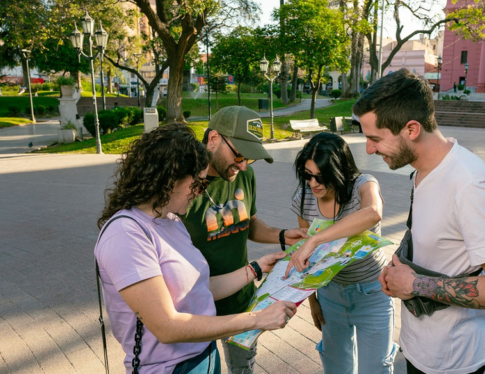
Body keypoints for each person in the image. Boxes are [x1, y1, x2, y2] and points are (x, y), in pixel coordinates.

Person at [352, 68, 485, 374]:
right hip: (422, 347)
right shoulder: (423, 170)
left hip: (453, 359)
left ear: (411, 129)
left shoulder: (470, 184)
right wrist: (399, 269)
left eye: (375, 138)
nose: (369, 149)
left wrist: (414, 283)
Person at [94, 123, 297, 374]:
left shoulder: (170, 220)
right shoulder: (126, 234)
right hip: (170, 367)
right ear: (170, 179)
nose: (200, 193)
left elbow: (197, 289)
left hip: (202, 355)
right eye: (198, 184)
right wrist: (256, 319)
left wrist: (257, 267)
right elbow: (167, 327)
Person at [179, 106, 308, 374]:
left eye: (249, 158)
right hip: (195, 308)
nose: (243, 165)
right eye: (239, 154)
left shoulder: (244, 174)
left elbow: (248, 224)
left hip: (240, 302)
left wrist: (281, 235)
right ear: (213, 139)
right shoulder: (181, 186)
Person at [286, 132, 397, 373]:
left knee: (375, 368)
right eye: (307, 175)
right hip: (331, 296)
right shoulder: (304, 198)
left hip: (371, 293)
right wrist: (313, 301)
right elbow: (307, 260)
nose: (313, 183)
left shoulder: (363, 185)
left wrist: (316, 239)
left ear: (339, 169)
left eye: (320, 176)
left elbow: (373, 213)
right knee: (337, 368)